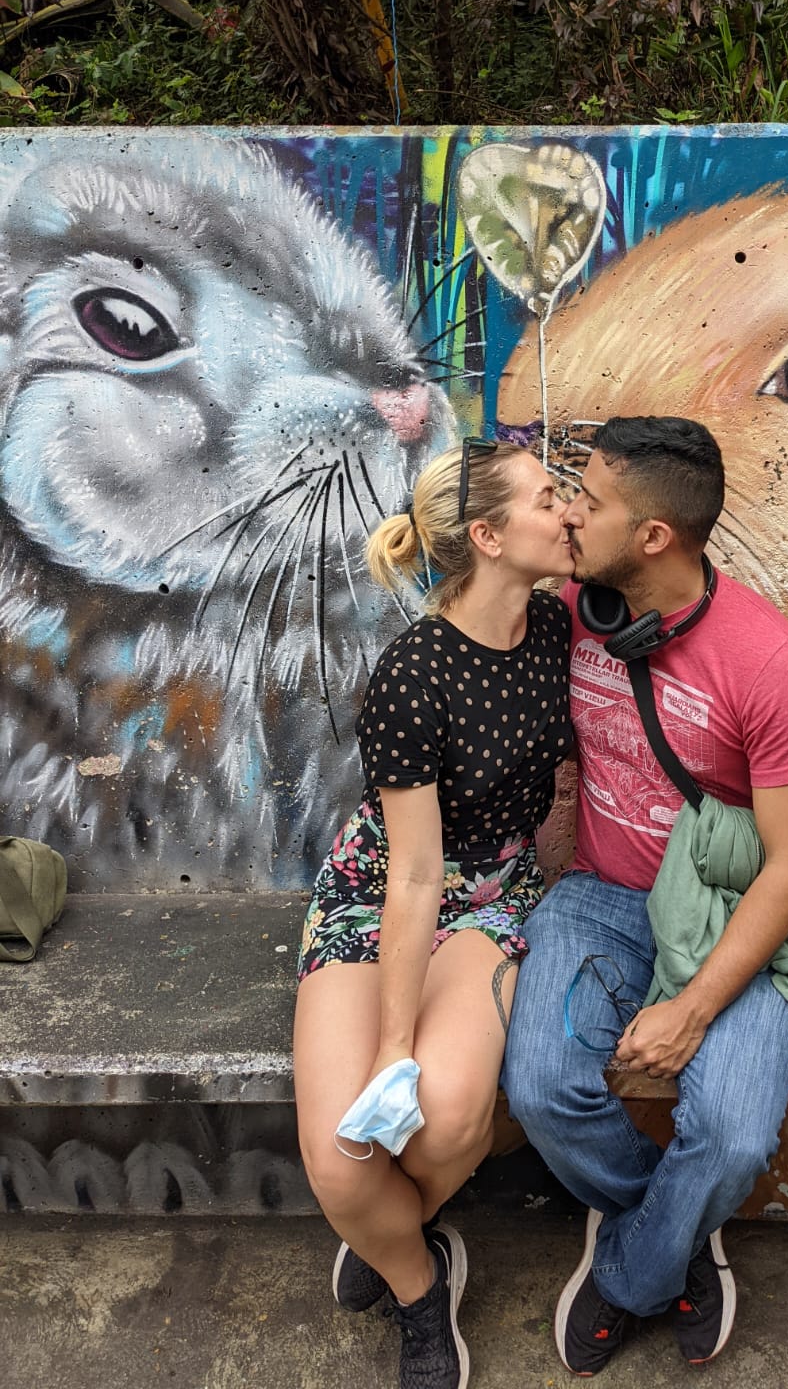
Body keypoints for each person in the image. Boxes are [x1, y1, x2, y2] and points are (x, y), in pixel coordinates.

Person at [502, 416, 788, 1375]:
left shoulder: (770, 663)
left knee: (730, 1135)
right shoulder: (574, 609)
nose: (569, 512)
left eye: (591, 501)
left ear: (655, 537)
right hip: (603, 895)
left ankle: (633, 1271)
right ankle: (678, 1234)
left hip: (732, 914)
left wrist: (692, 1009)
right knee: (541, 1087)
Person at [293, 438, 575, 1389]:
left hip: (496, 892)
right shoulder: (413, 677)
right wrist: (391, 1045)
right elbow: (412, 877)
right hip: (386, 889)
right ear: (489, 537)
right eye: (549, 499)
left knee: (449, 1122)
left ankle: (383, 1231)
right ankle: (420, 1282)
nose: (568, 511)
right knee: (343, 1157)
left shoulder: (557, 626)